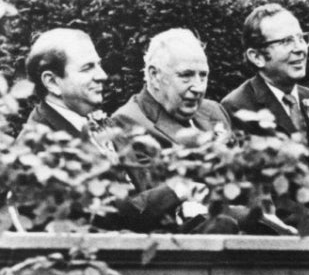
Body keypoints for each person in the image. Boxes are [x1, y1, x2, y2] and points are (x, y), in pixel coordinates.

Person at [17, 28, 230, 233]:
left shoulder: (99, 124)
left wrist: (181, 207)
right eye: (87, 68)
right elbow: (104, 216)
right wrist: (176, 190)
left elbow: (143, 188)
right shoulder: (39, 145)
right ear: (52, 82)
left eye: (98, 65)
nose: (102, 75)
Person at [222, 3, 309, 234]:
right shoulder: (238, 108)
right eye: (286, 41)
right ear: (257, 56)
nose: (300, 49)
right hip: (288, 234)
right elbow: (259, 194)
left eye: (302, 38)